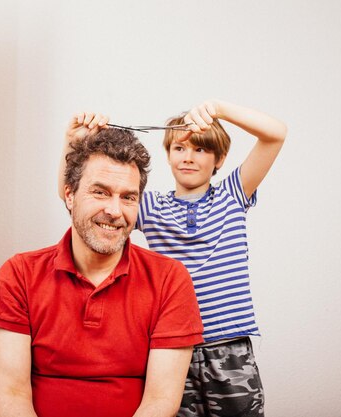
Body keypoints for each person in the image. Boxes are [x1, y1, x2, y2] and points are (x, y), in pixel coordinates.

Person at [59, 101, 287, 417]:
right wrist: (74, 141)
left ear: (219, 159)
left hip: (230, 348)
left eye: (201, 150)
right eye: (180, 148)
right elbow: (74, 198)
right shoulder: (150, 206)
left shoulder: (233, 194)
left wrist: (219, 110)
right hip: (171, 349)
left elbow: (275, 134)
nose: (188, 157)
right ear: (168, 155)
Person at [0, 127, 204, 417]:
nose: (114, 210)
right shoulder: (19, 274)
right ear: (69, 195)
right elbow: (11, 394)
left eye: (128, 197)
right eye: (100, 192)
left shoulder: (170, 279)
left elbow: (160, 401)